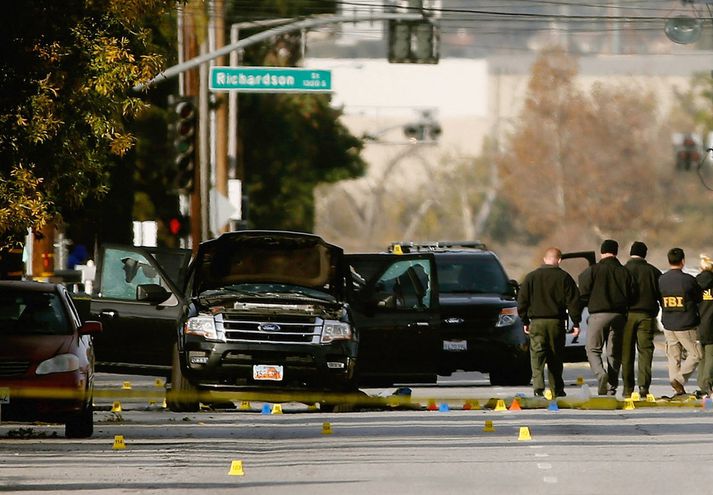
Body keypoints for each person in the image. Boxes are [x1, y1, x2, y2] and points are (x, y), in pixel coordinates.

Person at [517, 247, 581, 398]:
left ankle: (538, 388)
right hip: (556, 323)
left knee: (537, 356)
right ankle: (557, 389)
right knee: (555, 356)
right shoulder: (564, 277)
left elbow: (522, 301)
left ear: (544, 259)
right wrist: (576, 322)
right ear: (559, 260)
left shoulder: (531, 277)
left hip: (537, 322)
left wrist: (525, 320)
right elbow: (574, 302)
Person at [578, 239, 636, 396]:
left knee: (592, 349)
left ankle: (600, 374)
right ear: (616, 252)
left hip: (598, 315)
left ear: (601, 252)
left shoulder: (592, 270)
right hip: (619, 316)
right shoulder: (625, 272)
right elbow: (632, 295)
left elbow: (582, 291)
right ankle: (611, 386)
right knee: (614, 353)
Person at [659, 247, 703, 397]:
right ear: (683, 261)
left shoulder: (662, 280)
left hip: (668, 323)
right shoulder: (689, 280)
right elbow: (699, 298)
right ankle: (679, 379)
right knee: (696, 354)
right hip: (685, 324)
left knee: (673, 355)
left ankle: (675, 383)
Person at [621, 241, 662, 398]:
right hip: (646, 316)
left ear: (631, 253)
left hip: (626, 316)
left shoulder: (623, 270)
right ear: (645, 254)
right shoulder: (653, 271)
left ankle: (627, 388)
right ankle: (644, 387)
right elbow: (661, 295)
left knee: (627, 353)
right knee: (645, 351)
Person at [696, 254, 713, 397]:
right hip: (712, 323)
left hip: (698, 323)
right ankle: (707, 383)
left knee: (701, 357)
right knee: (711, 356)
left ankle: (702, 383)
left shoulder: (695, 283)